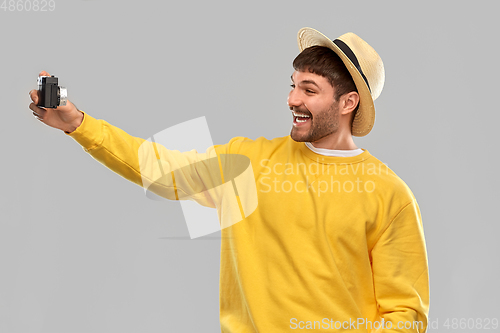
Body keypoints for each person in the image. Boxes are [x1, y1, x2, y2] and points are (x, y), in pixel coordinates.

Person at [29, 27, 429, 332]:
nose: (292, 99)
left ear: (348, 102)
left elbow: (405, 315)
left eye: (310, 90)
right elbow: (161, 168)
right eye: (293, 86)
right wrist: (79, 124)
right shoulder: (251, 162)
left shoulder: (389, 194)